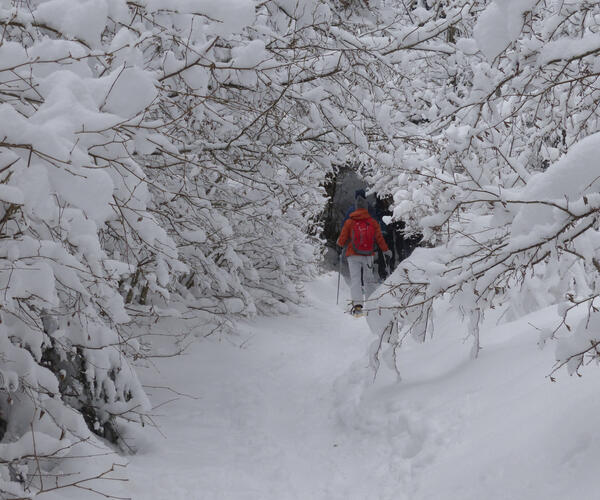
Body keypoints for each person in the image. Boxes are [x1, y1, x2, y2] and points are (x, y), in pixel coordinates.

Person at [337, 193, 391, 317]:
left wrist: (339, 245)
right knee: (369, 280)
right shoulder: (372, 222)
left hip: (352, 255)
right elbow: (379, 238)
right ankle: (371, 306)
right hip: (368, 255)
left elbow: (342, 238)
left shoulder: (350, 221)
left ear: (356, 207)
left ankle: (357, 307)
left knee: (355, 280)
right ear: (366, 207)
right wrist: (385, 250)